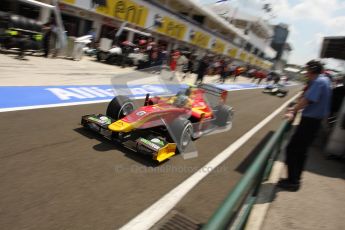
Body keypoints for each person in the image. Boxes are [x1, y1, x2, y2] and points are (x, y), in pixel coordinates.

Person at [277, 60, 332, 191]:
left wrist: (292, 111)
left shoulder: (319, 82)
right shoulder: (324, 80)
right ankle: (295, 179)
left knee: (292, 150)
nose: (306, 73)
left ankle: (293, 182)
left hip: (310, 122)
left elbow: (307, 99)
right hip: (315, 121)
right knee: (301, 152)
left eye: (307, 70)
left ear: (312, 70)